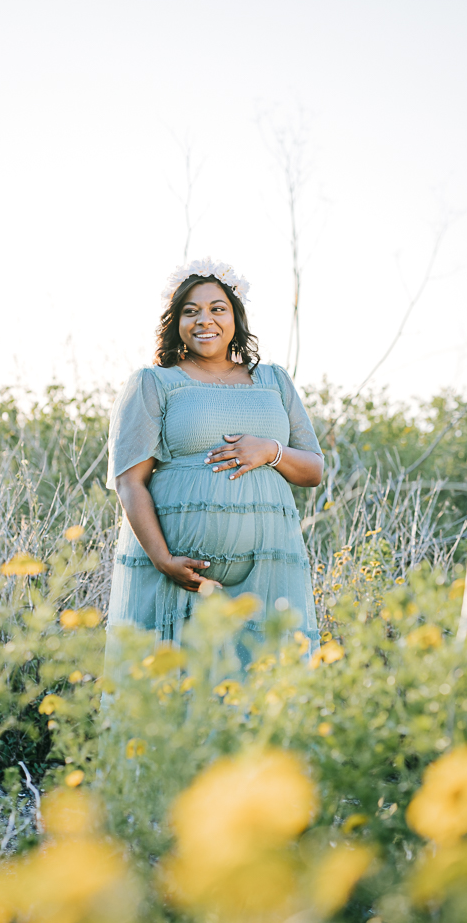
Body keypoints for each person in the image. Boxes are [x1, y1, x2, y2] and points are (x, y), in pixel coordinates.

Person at [105, 258, 324, 657]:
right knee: (177, 694)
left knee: (263, 690)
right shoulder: (155, 382)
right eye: (191, 311)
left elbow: (313, 470)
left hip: (268, 577)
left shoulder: (274, 381)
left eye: (217, 309)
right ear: (176, 324)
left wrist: (271, 451)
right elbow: (129, 482)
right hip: (179, 575)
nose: (204, 320)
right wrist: (162, 558)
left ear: (235, 317)